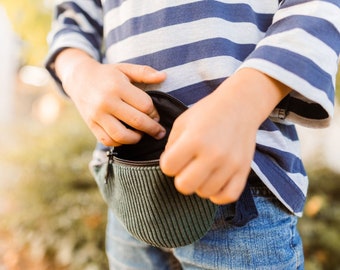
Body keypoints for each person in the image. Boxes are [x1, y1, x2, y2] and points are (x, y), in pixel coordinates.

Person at [46, 1, 340, 269]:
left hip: (238, 190)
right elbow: (73, 17)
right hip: (128, 192)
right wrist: (78, 72)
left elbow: (318, 10)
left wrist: (244, 102)